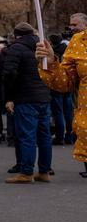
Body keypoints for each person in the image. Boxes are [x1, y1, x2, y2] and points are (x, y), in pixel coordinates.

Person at [36, 12, 87, 177]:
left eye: (74, 25)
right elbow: (64, 82)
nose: (71, 29)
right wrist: (50, 61)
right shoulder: (78, 42)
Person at [2, 23, 52, 183]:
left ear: (16, 36)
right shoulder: (42, 47)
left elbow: (9, 73)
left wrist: (9, 96)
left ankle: (26, 171)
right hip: (43, 95)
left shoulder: (16, 48)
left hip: (25, 96)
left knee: (27, 136)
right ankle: (44, 170)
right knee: (44, 136)